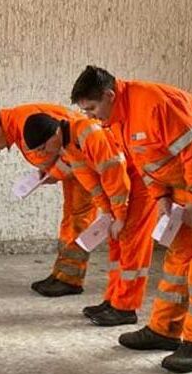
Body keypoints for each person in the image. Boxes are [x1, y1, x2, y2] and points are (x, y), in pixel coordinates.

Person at [72, 66, 192, 373]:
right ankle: (164, 330)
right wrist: (162, 197)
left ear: (109, 95)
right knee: (180, 253)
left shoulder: (154, 104)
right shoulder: (118, 118)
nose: (90, 117)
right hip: (186, 180)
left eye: (91, 108)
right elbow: (147, 162)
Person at [22, 113, 160, 326]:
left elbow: (115, 174)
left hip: (138, 185)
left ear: (54, 134)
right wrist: (107, 212)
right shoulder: (68, 146)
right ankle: (113, 300)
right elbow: (93, 184)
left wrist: (120, 215)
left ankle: (125, 308)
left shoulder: (89, 134)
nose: (43, 154)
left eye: (42, 148)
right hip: (121, 190)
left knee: (131, 246)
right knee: (116, 246)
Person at [0, 104, 98, 297]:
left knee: (78, 222)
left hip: (84, 169)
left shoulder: (26, 121)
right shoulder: (18, 123)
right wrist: (47, 171)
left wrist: (53, 172)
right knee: (70, 220)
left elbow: (72, 147)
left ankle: (71, 280)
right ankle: (61, 274)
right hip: (75, 173)